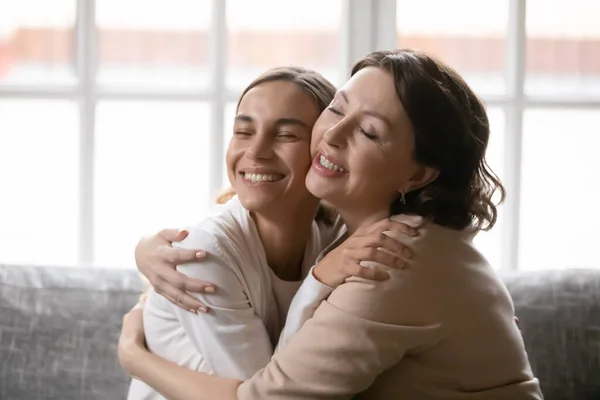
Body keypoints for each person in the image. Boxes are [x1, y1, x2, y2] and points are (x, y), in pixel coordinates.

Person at [119, 49, 544, 399]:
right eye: (337, 109)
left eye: (370, 133)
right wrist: (145, 252)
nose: (334, 135)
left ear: (418, 175)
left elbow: (266, 394)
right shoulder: (358, 233)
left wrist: (135, 358)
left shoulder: (389, 258)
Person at [126, 66, 417, 400]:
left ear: (324, 149)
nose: (256, 152)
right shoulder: (205, 252)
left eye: (286, 135)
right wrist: (319, 280)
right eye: (244, 131)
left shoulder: (335, 234)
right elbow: (272, 393)